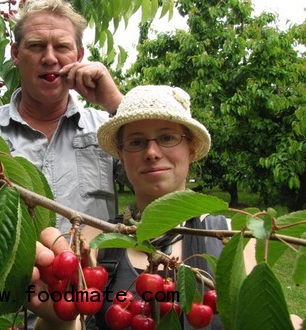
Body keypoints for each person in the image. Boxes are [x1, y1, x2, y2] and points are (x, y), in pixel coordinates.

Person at [30, 85, 261, 329]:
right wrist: (56, 317)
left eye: (167, 138)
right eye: (136, 142)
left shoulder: (235, 241)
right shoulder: (94, 241)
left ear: (191, 147)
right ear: (121, 154)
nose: (151, 152)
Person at [0, 0, 124, 233]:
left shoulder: (106, 129)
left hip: (90, 269)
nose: (50, 58)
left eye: (62, 47)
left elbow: (156, 177)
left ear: (79, 56)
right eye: (36, 46)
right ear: (15, 54)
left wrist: (115, 102)